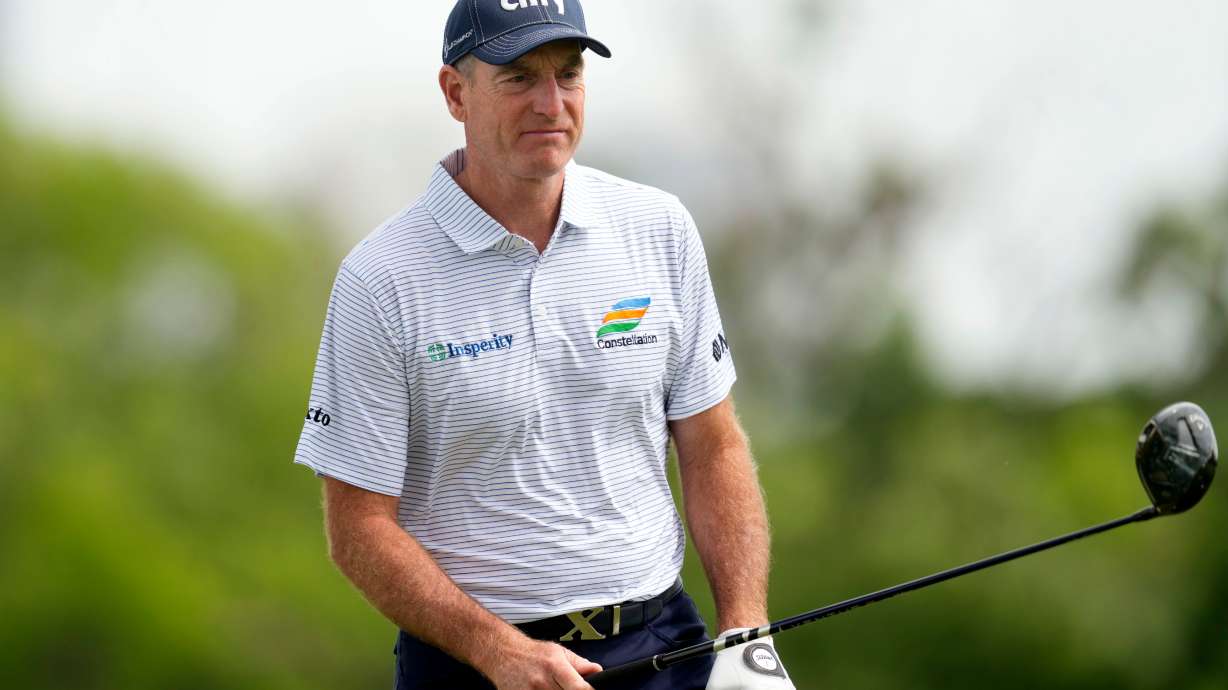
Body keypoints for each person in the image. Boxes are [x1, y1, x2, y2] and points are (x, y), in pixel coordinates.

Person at [293, 1, 795, 688]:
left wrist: (745, 629)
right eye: (519, 77)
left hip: (662, 646)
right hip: (471, 665)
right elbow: (359, 529)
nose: (551, 102)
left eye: (568, 73)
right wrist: (498, 649)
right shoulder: (382, 279)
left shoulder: (658, 229)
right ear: (454, 92)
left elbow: (712, 443)